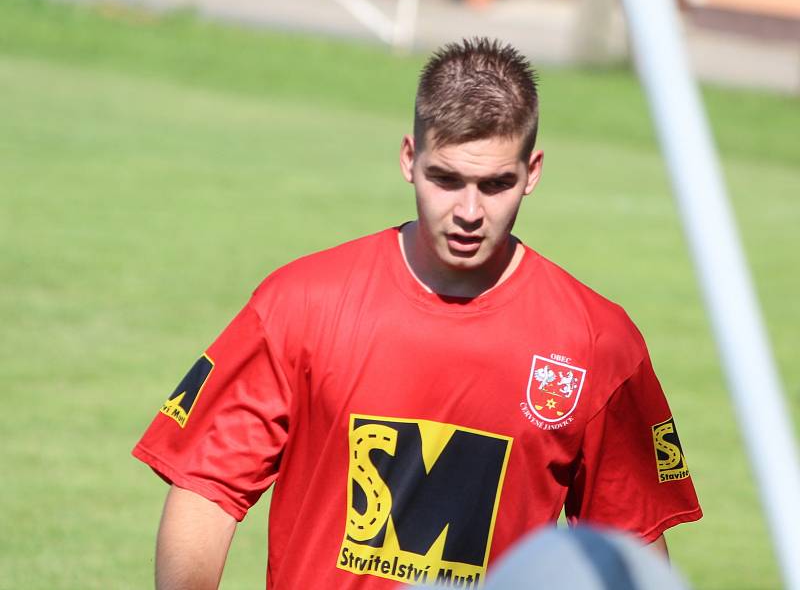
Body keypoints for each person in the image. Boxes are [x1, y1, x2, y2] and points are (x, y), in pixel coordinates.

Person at [133, 37, 702, 590]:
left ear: (533, 172)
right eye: (446, 179)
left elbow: (629, 548)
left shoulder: (598, 342)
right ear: (410, 159)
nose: (469, 211)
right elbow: (206, 488)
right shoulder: (301, 303)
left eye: (496, 184)